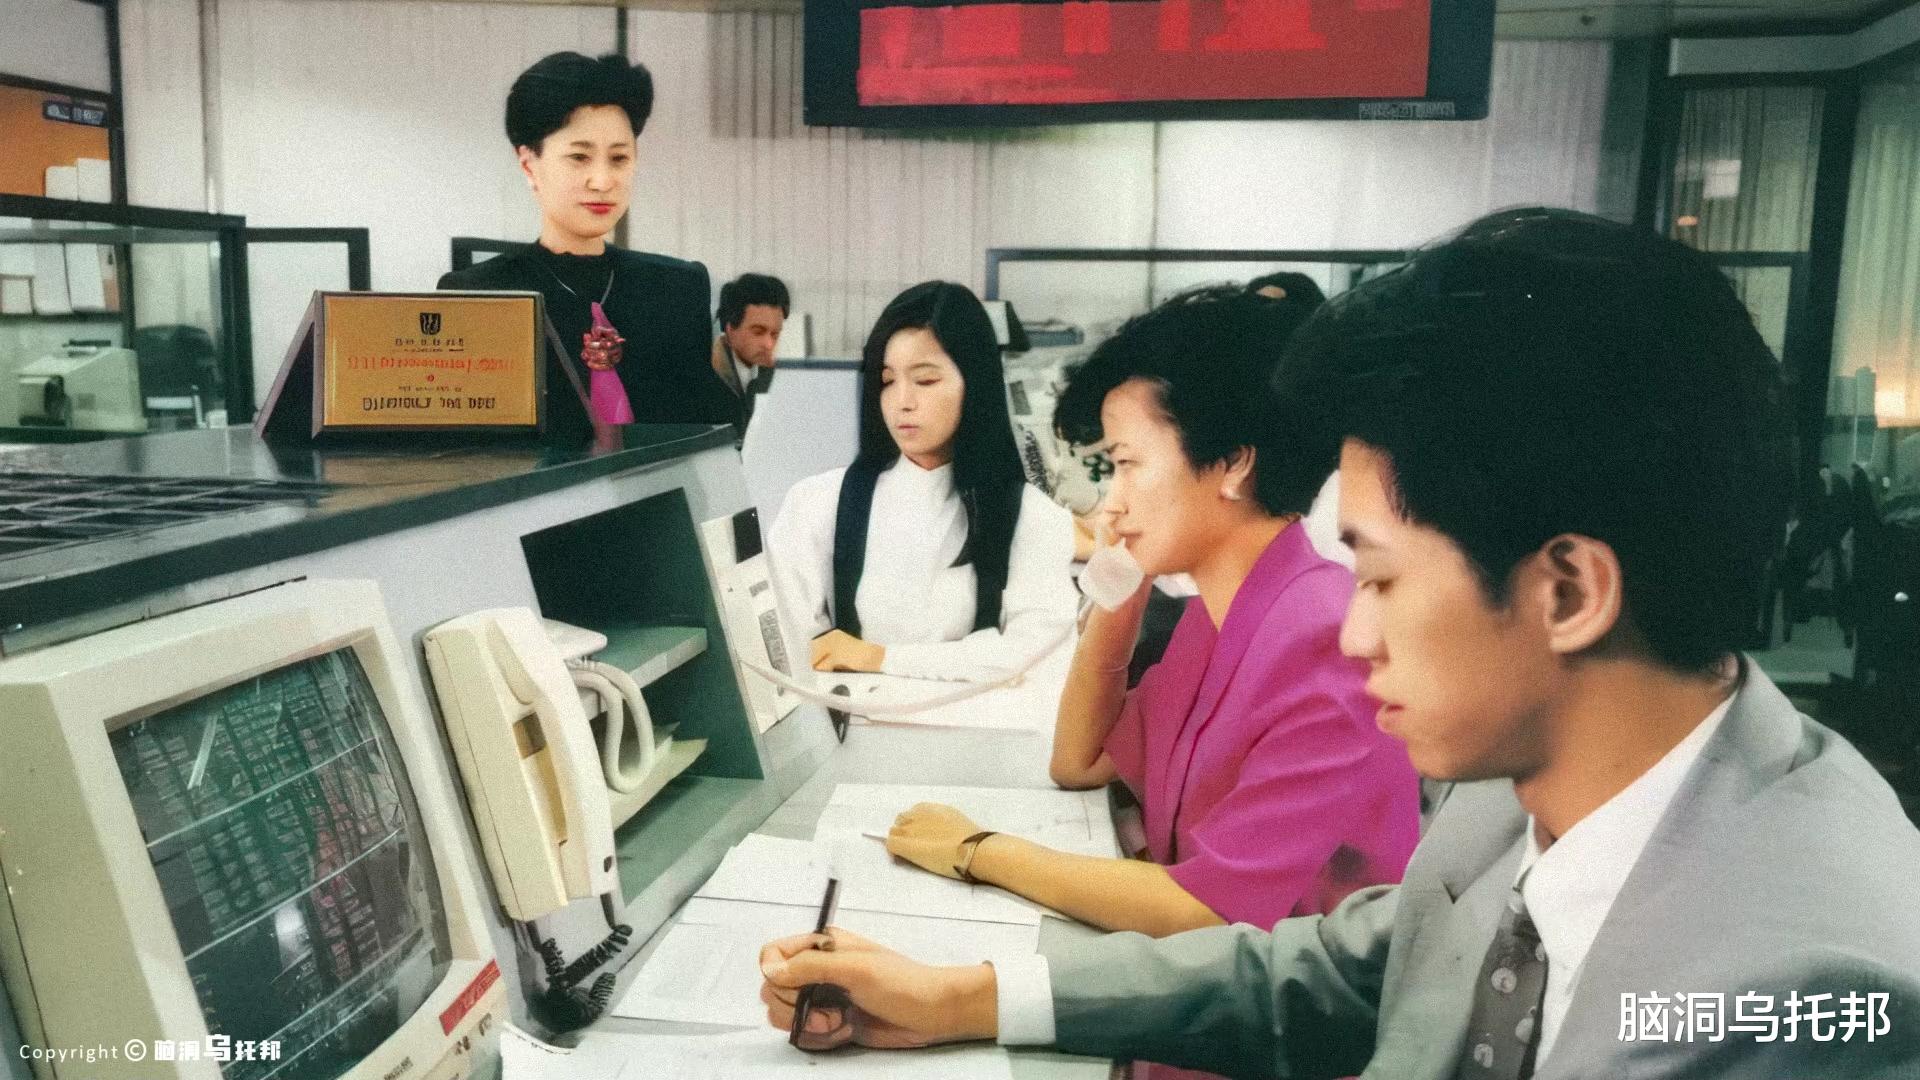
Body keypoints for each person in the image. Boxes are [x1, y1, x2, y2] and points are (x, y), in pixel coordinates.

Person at [757, 210, 1920, 1078]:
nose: (1356, 632)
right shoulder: (1529, 781)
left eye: (1381, 576)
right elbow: (1345, 966)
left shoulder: (1799, 1002)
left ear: (1568, 590)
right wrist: (962, 997)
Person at [881, 288, 1417, 946]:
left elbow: (1209, 908)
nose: (1110, 502)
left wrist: (978, 851)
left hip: (1278, 1003)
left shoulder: (1323, 637)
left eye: (1127, 465)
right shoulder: (1219, 619)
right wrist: (1121, 585)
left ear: (1233, 464)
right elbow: (1078, 761)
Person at [768, 281, 1077, 682]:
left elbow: (1036, 658)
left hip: (982, 724)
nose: (902, 402)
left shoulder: (1032, 517)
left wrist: (879, 658)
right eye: (887, 381)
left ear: (975, 385)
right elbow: (792, 653)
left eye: (925, 380)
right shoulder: (817, 504)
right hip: (850, 721)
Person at [438, 52, 736, 438]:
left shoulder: (676, 288)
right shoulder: (479, 294)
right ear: (529, 165)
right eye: (579, 157)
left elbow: (706, 428)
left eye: (619, 158)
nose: (602, 180)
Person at [712, 272, 790, 435]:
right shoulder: (705, 376)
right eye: (758, 332)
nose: (769, 344)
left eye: (775, 334)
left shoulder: (778, 380)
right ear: (730, 329)